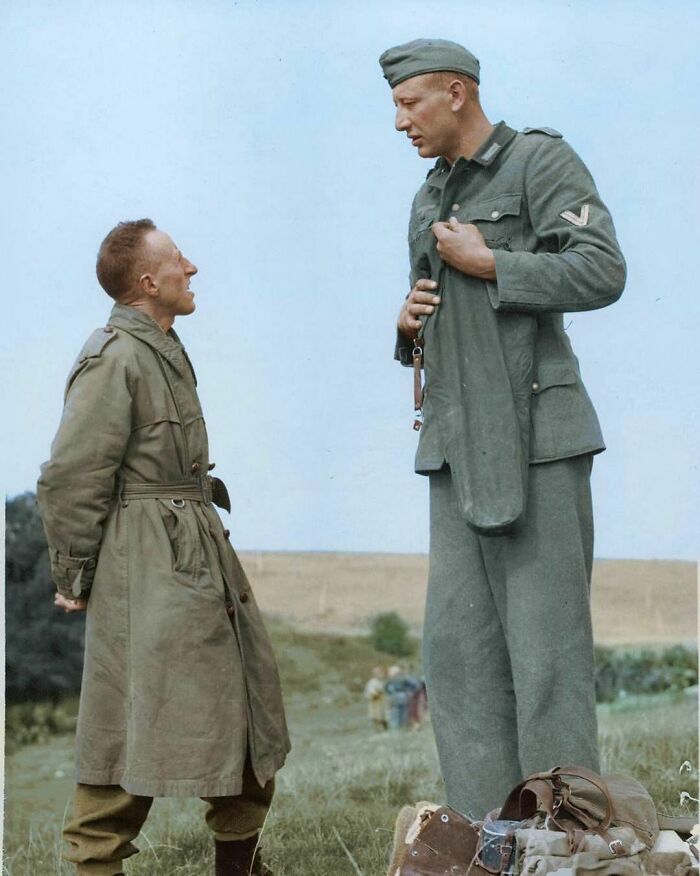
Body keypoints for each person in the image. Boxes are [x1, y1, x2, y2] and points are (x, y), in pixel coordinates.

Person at [378, 39, 626, 817]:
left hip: (539, 442)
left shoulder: (541, 164)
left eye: (409, 102)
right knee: (458, 660)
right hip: (455, 450)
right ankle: (492, 840)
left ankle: (568, 838)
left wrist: (497, 266)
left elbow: (602, 270)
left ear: (456, 92)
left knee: (547, 657)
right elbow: (437, 319)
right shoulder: (428, 197)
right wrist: (406, 326)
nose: (398, 121)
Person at [37, 219, 290, 876]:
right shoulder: (114, 357)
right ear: (149, 281)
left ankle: (240, 866)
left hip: (195, 552)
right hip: (147, 569)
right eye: (180, 259)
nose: (193, 269)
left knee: (242, 714)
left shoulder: (162, 348)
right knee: (130, 726)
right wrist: (74, 575)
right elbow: (70, 476)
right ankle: (95, 864)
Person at [364, 665, 389, 731]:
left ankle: (385, 726)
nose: (380, 674)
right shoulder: (372, 682)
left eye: (381, 673)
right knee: (375, 715)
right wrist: (375, 693)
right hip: (375, 700)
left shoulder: (382, 681)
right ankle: (377, 728)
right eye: (378, 673)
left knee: (383, 714)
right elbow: (370, 691)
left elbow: (385, 689)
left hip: (382, 700)